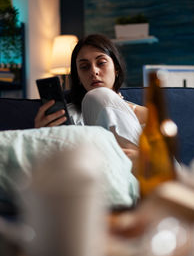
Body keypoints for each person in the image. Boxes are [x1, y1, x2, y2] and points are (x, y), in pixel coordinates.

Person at [34, 34, 148, 174]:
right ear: (79, 78)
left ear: (116, 69)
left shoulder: (146, 113)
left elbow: (170, 163)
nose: (93, 71)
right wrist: (39, 136)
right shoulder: (66, 116)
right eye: (84, 67)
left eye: (101, 63)